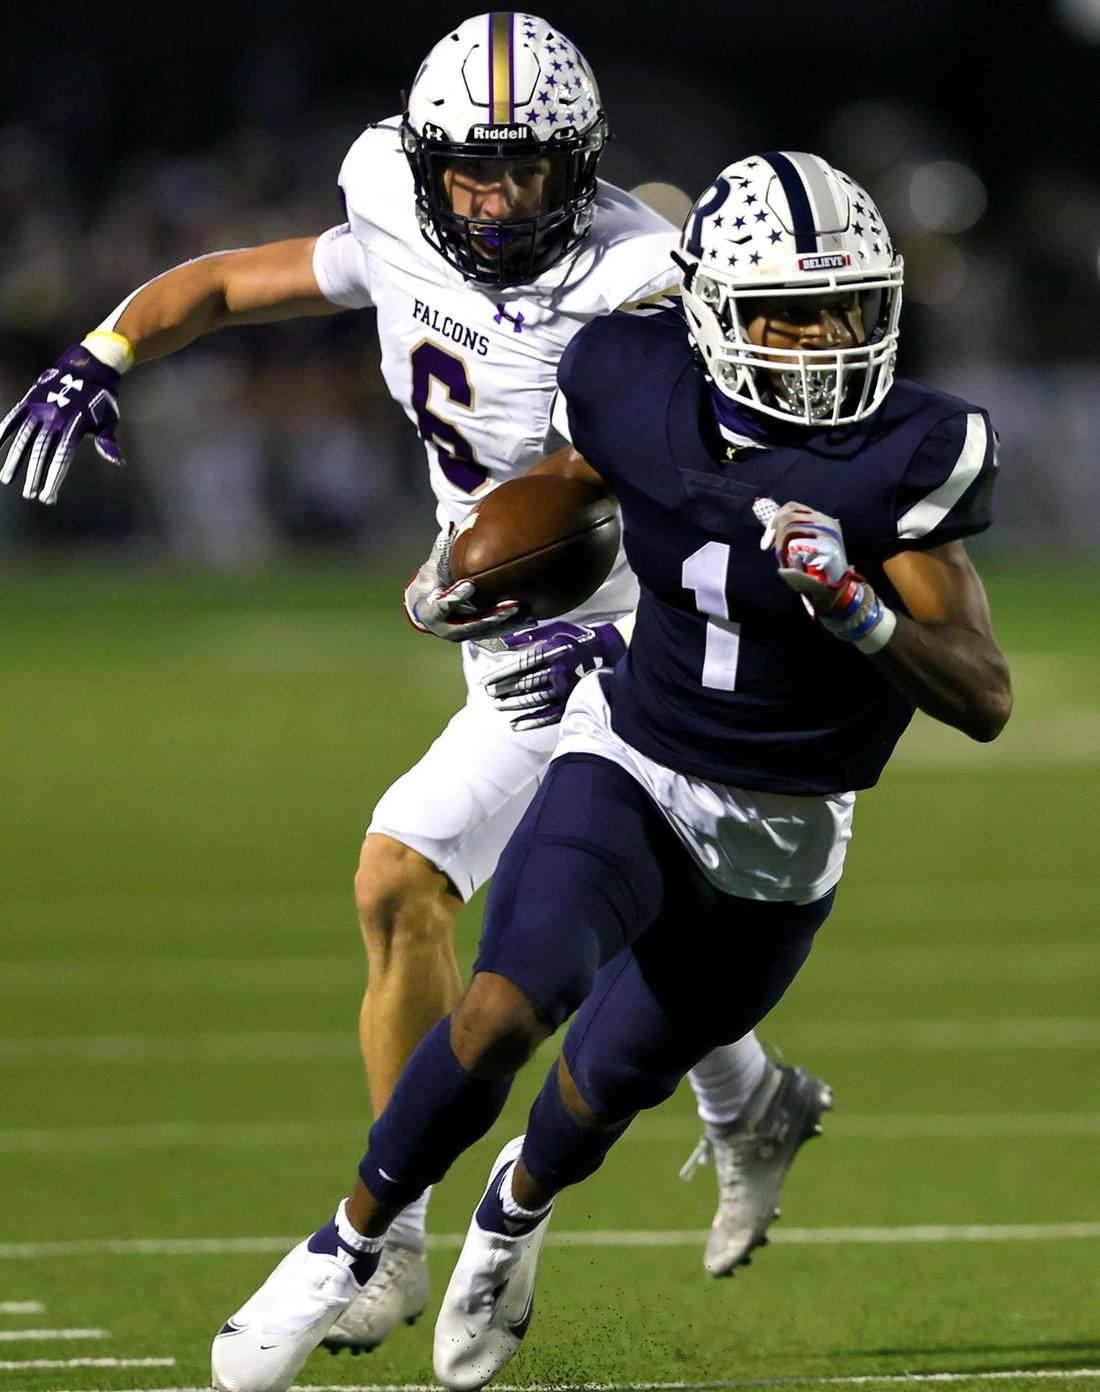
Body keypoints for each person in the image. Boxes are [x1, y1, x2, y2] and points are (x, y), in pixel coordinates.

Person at [0, 11, 831, 1356]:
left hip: (624, 637)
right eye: (472, 170)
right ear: (426, 160)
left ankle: (385, 1238)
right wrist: (109, 347)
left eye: (530, 172)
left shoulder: (634, 276)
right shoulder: (390, 193)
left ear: (582, 166)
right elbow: (238, 281)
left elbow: (652, 478)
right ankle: (739, 1104)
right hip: (508, 644)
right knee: (447, 896)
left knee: (529, 916)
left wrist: (503, 570)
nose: (496, 200)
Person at [206, 149, 1012, 1392]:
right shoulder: (626, 374)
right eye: (786, 311)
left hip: (782, 832)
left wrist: (864, 619)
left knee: (593, 1099)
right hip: (629, 752)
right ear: (709, 313)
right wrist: (473, 570)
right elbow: (573, 489)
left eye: (847, 306)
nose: (824, 338)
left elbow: (986, 694)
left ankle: (509, 1220)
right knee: (501, 1008)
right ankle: (340, 1248)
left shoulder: (908, 450)